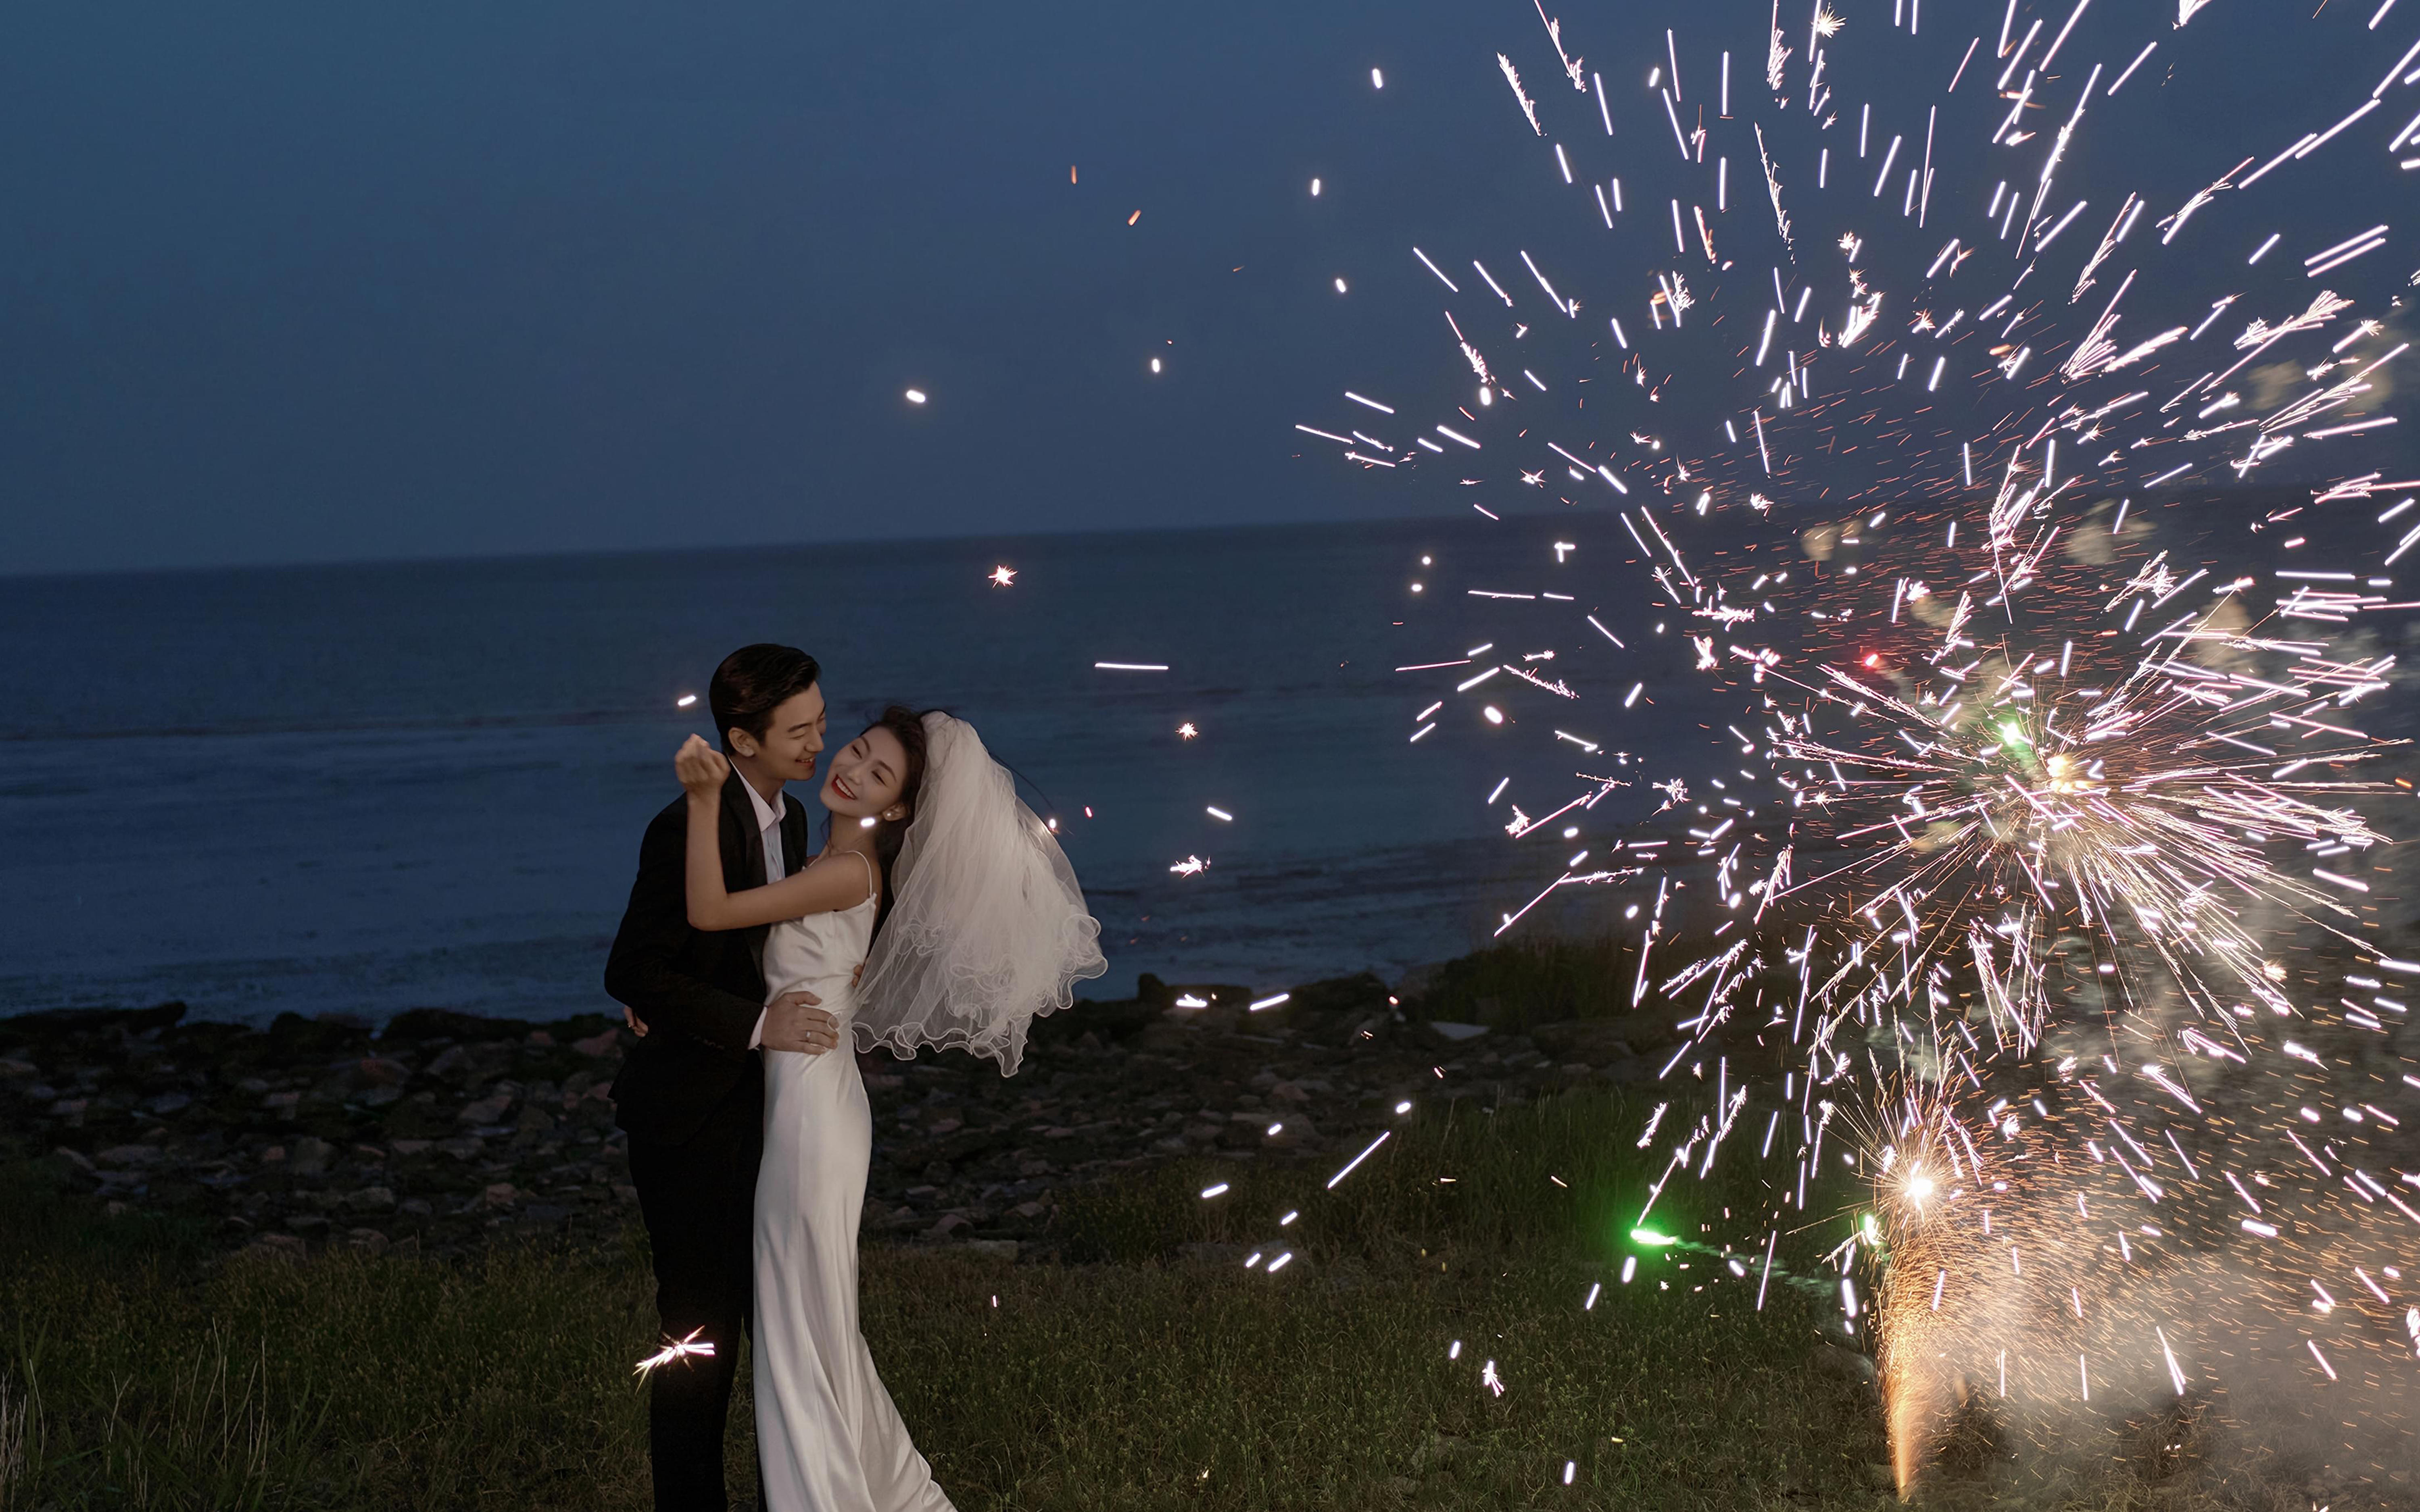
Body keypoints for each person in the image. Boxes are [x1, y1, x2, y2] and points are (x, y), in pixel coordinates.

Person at [673, 706, 1105, 1512]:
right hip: (810, 1100)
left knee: (801, 1327)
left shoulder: (850, 872)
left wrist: (702, 801)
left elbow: (710, 912)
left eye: (879, 776)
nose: (852, 771)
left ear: (900, 811)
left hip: (811, 1115)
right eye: (858, 751)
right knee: (812, 1325)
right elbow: (753, 956)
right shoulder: (828, 861)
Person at [606, 644, 845, 1512]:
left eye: (821, 722)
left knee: (759, 1314)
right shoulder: (686, 827)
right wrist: (753, 1024)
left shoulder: (786, 820)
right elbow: (633, 967)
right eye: (799, 731)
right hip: (689, 1116)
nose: (819, 743)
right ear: (741, 740)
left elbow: (732, 954)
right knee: (700, 1331)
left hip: (757, 1109)